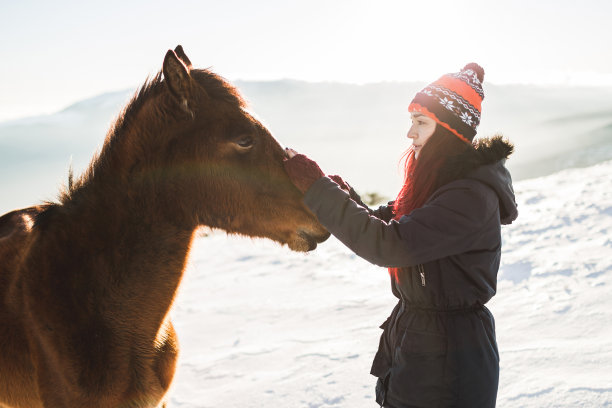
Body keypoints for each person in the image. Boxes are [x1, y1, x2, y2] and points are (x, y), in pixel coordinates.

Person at [283, 63, 518, 408]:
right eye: (412, 121)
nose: (410, 133)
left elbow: (390, 244)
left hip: (451, 356)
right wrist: (344, 195)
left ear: (450, 131)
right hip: (421, 341)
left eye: (421, 123)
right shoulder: (440, 183)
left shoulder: (468, 196)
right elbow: (392, 223)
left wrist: (319, 189)